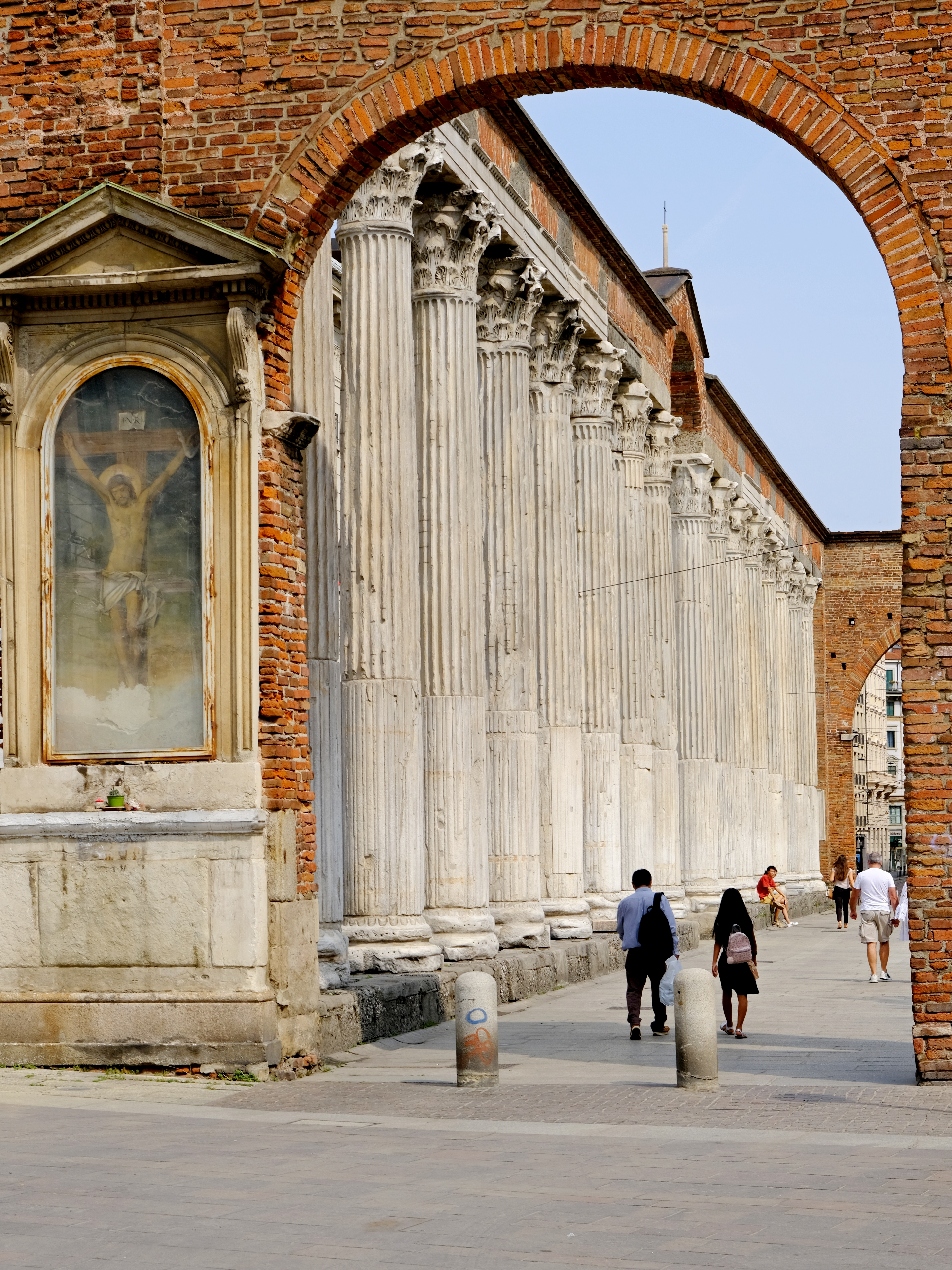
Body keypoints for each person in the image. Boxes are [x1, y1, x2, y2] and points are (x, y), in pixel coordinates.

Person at [64, 429, 188, 687]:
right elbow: (89, 478)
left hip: (132, 577)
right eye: (115, 491)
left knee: (133, 627)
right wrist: (73, 449)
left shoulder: (143, 503)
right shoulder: (110, 507)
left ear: (131, 490)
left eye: (122, 490)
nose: (119, 494)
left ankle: (134, 672)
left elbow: (163, 477)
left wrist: (183, 452)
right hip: (112, 574)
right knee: (118, 630)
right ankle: (128, 675)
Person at [616, 869, 679, 1040]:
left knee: (634, 989)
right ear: (651, 882)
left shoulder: (625, 903)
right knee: (658, 988)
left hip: (635, 953)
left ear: (633, 884)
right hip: (657, 953)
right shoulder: (660, 899)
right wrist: (675, 950)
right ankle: (659, 1024)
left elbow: (621, 930)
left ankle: (635, 1023)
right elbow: (671, 927)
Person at [711, 888, 759, 1039]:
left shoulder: (722, 919)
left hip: (727, 961)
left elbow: (718, 943)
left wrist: (714, 963)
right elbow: (752, 941)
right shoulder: (745, 919)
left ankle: (729, 1025)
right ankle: (739, 1028)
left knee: (726, 993)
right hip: (743, 961)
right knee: (742, 994)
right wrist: (754, 959)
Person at [850, 851, 899, 982]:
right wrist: (897, 915)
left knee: (871, 942)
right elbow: (893, 897)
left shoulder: (861, 875)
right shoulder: (887, 875)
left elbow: (854, 895)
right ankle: (883, 971)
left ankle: (874, 974)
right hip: (883, 910)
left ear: (868, 862)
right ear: (881, 862)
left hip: (867, 911)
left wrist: (853, 910)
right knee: (884, 941)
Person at [828, 853, 856, 929]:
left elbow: (831, 879)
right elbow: (851, 881)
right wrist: (855, 888)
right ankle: (846, 923)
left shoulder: (834, 869)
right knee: (845, 907)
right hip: (846, 890)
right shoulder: (849, 870)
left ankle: (839, 922)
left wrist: (834, 879)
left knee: (838, 906)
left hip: (837, 889)